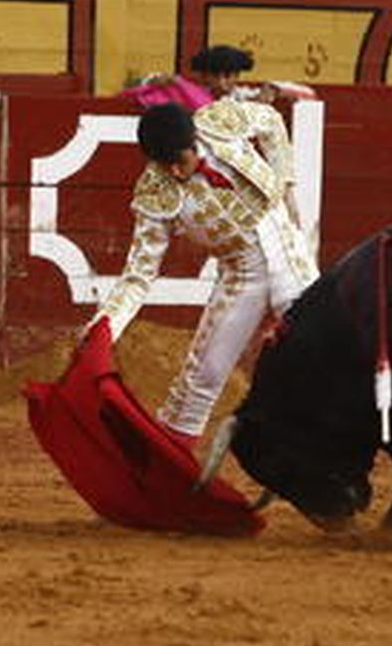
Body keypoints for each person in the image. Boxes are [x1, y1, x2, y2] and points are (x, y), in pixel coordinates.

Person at [91, 99, 317, 446]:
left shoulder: (220, 121)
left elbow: (270, 120)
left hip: (290, 254)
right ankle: (168, 467)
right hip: (242, 274)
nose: (177, 174)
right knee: (204, 374)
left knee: (323, 354)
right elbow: (139, 274)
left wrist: (284, 183)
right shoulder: (155, 193)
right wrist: (105, 326)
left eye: (180, 161)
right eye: (167, 167)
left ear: (194, 139)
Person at [121, 44, 253, 109]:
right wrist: (152, 81)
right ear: (205, 76)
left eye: (231, 76)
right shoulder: (186, 90)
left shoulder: (241, 95)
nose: (224, 82)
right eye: (218, 76)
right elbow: (137, 90)